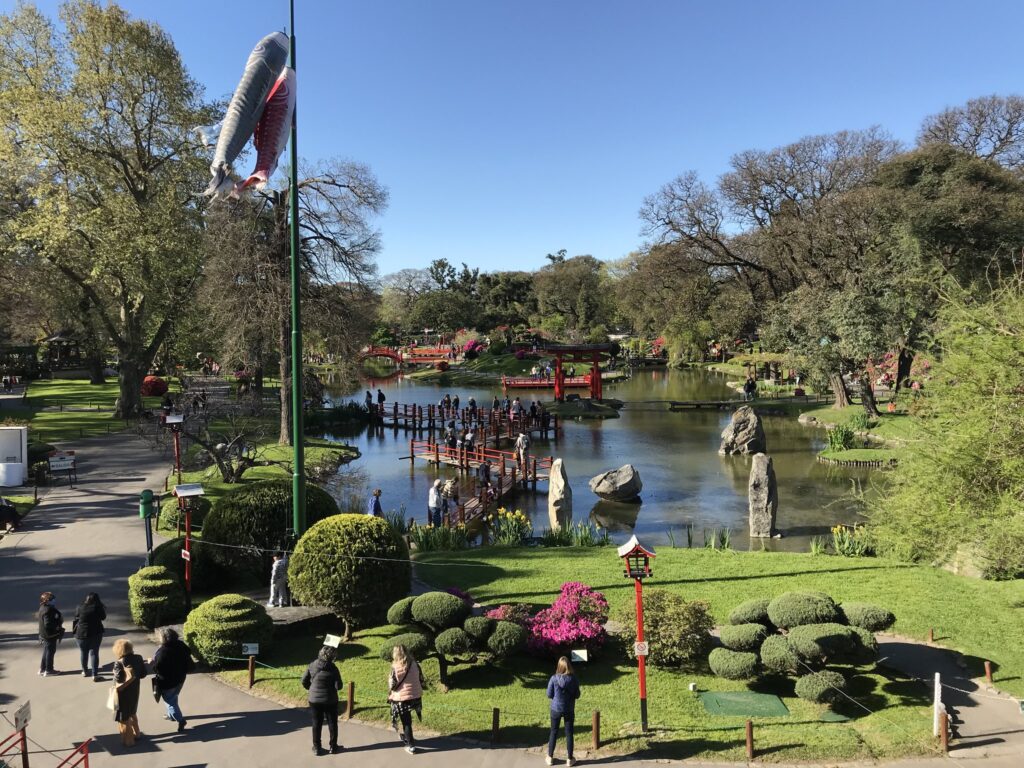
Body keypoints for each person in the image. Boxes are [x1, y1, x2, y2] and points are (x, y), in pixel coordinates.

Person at [150, 627, 195, 733]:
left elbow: (157, 668)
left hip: (168, 682)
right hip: (180, 678)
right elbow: (188, 652)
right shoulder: (180, 645)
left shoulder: (163, 652)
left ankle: (180, 720)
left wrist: (152, 663)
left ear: (164, 638)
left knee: (170, 702)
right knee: (173, 697)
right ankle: (171, 715)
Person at [302, 645, 343, 756]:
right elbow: (339, 686)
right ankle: (333, 747)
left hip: (314, 700)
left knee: (316, 723)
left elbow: (304, 681)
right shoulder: (334, 669)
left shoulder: (312, 665)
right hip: (330, 700)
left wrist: (310, 688)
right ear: (332, 657)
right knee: (332, 723)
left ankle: (317, 747)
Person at [387, 644, 423, 754]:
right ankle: (408, 736)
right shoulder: (415, 664)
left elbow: (392, 685)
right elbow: (421, 679)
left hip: (402, 698)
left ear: (395, 654)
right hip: (415, 695)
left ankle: (411, 745)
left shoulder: (395, 667)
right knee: (408, 720)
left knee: (406, 722)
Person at [545, 656, 581, 767]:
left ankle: (550, 757)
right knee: (569, 734)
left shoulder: (554, 678)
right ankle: (570, 759)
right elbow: (577, 695)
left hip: (555, 709)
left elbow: (549, 694)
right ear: (569, 666)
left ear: (559, 666)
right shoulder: (573, 679)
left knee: (554, 732)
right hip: (569, 709)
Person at [112, 638, 147, 747]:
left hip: (123, 694)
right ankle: (137, 734)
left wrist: (114, 672)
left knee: (124, 718)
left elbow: (118, 680)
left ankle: (128, 741)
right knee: (133, 712)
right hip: (135, 690)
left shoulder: (119, 663)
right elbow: (143, 674)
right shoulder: (138, 657)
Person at [73, 592, 106, 680]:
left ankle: (84, 671)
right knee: (94, 653)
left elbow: (76, 617)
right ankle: (95, 674)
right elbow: (103, 617)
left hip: (80, 634)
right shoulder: (97, 608)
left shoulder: (79, 607)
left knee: (83, 652)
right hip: (95, 633)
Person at [37, 591, 63, 677]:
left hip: (43, 634)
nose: (54, 600)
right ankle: (49, 670)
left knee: (46, 651)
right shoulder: (49, 609)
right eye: (52, 599)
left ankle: (42, 668)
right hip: (50, 634)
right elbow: (48, 624)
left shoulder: (42, 607)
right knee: (50, 652)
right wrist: (57, 627)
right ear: (47, 601)